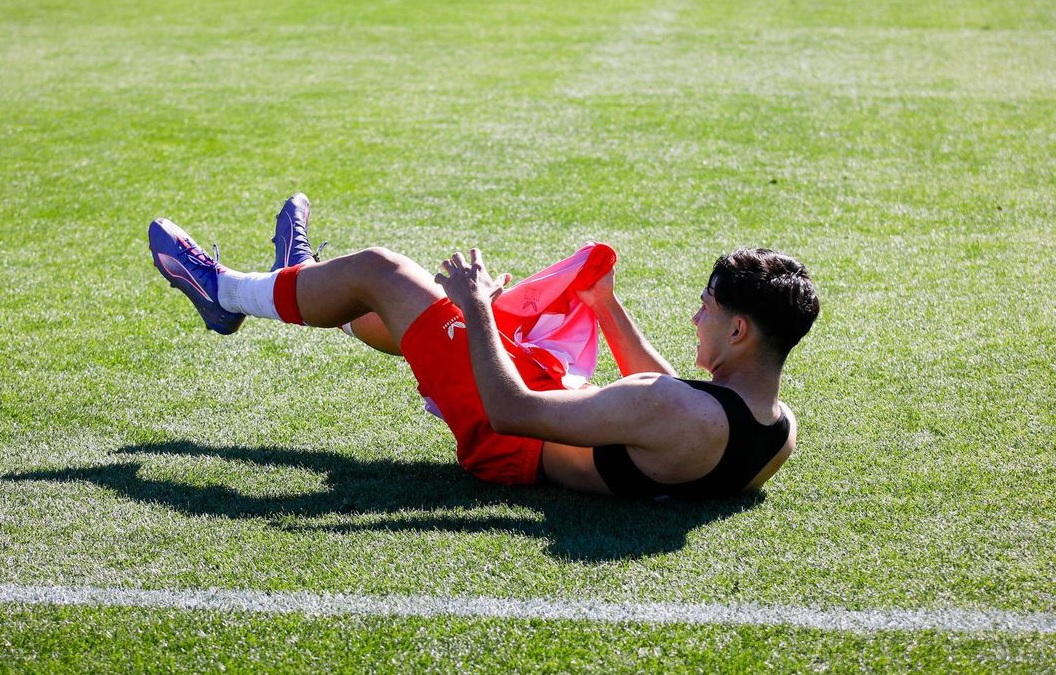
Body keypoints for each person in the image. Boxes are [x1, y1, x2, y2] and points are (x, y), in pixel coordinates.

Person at [147, 194, 818, 501]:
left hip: (513, 439)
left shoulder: (675, 411)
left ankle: (223, 291)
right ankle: (304, 281)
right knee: (425, 318)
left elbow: (510, 410)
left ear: (738, 331)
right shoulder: (776, 430)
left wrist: (476, 309)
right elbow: (670, 408)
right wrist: (605, 306)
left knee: (385, 272)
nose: (696, 312)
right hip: (561, 409)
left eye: (708, 305)